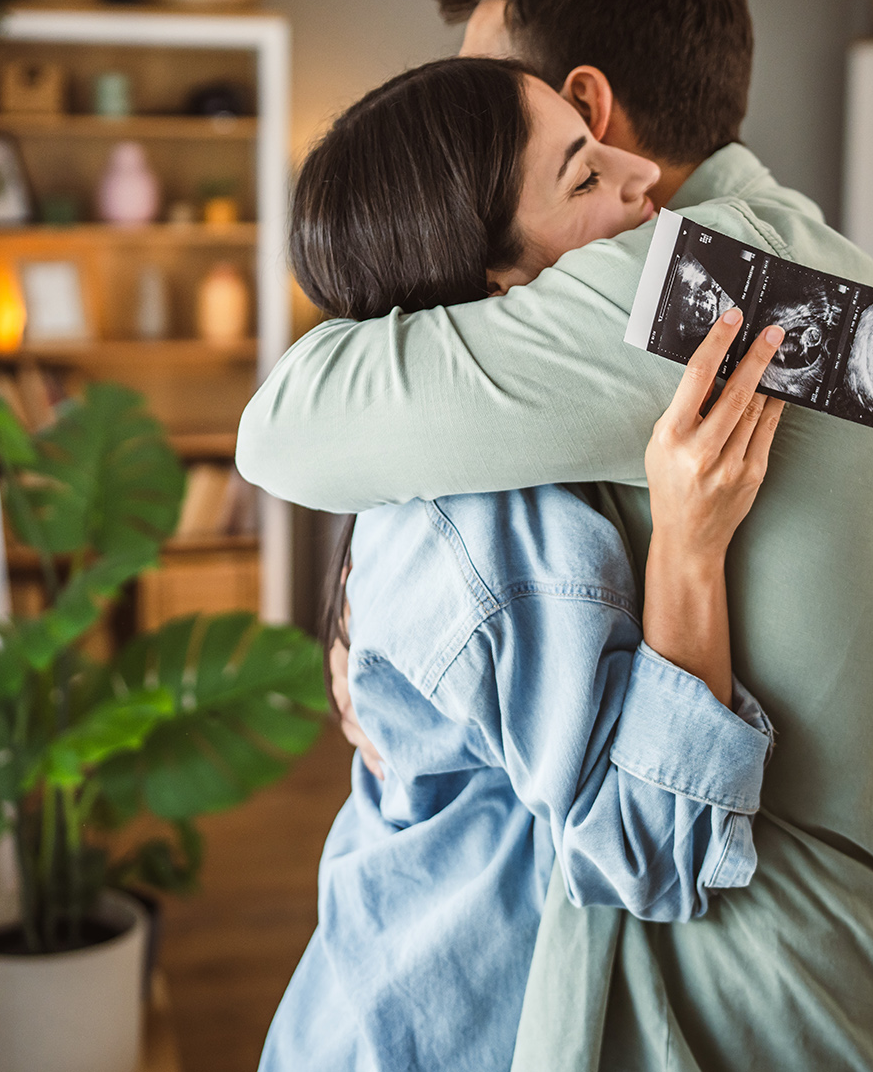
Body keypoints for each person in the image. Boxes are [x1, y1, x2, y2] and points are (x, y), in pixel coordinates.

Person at [238, 0, 873, 1070]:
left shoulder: (727, 289)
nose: (454, 116)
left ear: (586, 99)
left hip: (768, 998)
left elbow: (282, 426)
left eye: (485, 95)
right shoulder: (802, 260)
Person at [261, 57, 785, 1070]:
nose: (642, 174)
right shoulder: (501, 537)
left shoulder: (452, 451)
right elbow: (650, 852)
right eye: (584, 177)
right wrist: (689, 544)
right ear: (498, 282)